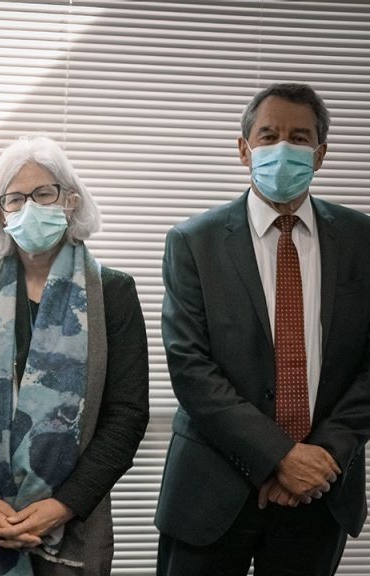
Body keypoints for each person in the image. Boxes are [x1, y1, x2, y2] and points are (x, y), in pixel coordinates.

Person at [156, 82, 370, 575]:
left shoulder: (362, 240)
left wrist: (319, 457)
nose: (283, 148)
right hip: (211, 489)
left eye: (299, 138)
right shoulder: (194, 242)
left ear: (320, 155)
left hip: (320, 489)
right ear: (243, 149)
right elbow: (190, 367)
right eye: (269, 136)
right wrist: (280, 456)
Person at [0, 136, 149, 575]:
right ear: (0, 214)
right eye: (15, 199)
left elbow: (127, 415)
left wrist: (63, 505)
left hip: (74, 522)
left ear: (70, 200)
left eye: (43, 194)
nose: (29, 208)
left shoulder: (113, 293)